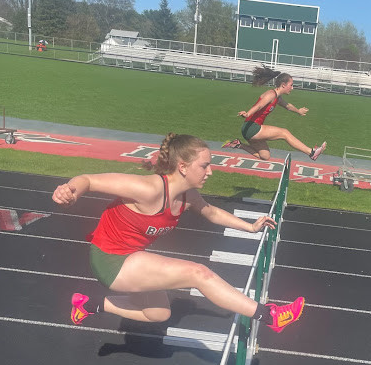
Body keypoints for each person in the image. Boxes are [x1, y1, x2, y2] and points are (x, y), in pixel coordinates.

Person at [52, 133, 304, 334]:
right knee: (198, 273)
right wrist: (70, 191)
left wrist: (250, 227)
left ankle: (88, 304)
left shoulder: (188, 196)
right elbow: (88, 179)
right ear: (183, 167)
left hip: (132, 256)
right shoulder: (148, 189)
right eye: (204, 166)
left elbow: (211, 212)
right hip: (111, 260)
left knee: (159, 314)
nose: (211, 172)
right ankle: (270, 315)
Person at [222, 65, 326, 162]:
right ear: (283, 85)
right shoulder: (271, 94)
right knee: (284, 133)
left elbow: (288, 106)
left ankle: (238, 145)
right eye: (291, 85)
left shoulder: (277, 97)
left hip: (249, 129)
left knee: (265, 156)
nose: (292, 88)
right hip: (252, 128)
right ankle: (311, 152)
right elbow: (259, 106)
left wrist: (298, 111)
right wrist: (247, 113)